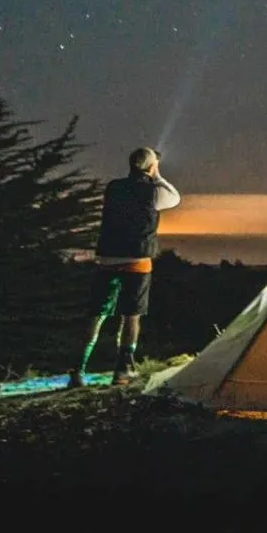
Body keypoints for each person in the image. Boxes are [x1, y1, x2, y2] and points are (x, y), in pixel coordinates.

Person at [68, 147, 180, 388]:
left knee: (96, 315)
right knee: (131, 315)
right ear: (151, 166)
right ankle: (123, 370)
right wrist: (156, 174)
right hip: (137, 260)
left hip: (107, 258)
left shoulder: (113, 188)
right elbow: (174, 197)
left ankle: (77, 371)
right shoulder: (154, 191)